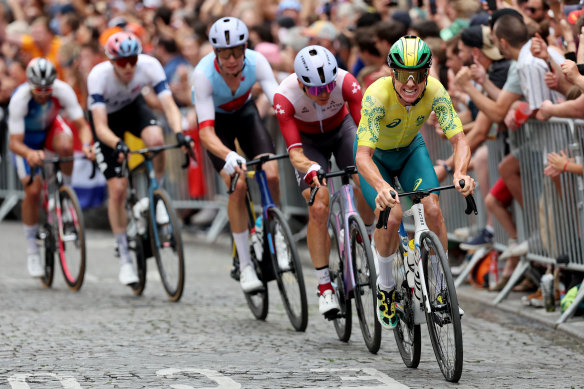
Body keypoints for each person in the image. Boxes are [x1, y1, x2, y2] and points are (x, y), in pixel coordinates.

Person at [354, 36, 475, 329]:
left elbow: (459, 140)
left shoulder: (435, 90)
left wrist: (460, 172)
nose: (411, 83)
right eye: (403, 75)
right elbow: (362, 156)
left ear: (428, 73)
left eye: (418, 75)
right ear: (392, 72)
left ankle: (441, 289)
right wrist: (382, 186)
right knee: (393, 216)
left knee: (432, 210)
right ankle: (385, 287)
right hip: (377, 158)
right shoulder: (376, 95)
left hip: (411, 151)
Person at [273, 45, 375, 318]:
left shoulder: (346, 83)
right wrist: (310, 168)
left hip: (342, 130)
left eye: (328, 86)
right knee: (319, 205)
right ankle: (324, 286)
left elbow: (366, 132)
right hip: (308, 144)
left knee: (364, 177)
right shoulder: (285, 96)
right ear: (301, 84)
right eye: (316, 90)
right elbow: (294, 153)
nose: (325, 93)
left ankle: (366, 235)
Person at [88, 31, 192, 286]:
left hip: (133, 109)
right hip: (107, 123)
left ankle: (155, 196)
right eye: (122, 62)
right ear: (111, 61)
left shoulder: (149, 66)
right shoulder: (98, 77)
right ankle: (124, 256)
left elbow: (169, 106)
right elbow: (100, 127)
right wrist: (117, 144)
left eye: (132, 60)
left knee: (157, 141)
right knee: (118, 189)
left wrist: (179, 133)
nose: (128, 67)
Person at [191, 17, 280, 293]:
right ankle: (244, 266)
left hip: (245, 114)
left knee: (273, 173)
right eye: (224, 53)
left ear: (245, 48)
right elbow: (205, 134)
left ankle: (271, 229)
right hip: (217, 126)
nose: (231, 59)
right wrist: (228, 155)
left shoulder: (257, 62)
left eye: (237, 52)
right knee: (237, 185)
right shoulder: (203, 74)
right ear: (215, 53)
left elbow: (278, 101)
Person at [8, 57, 94, 277]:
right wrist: (29, 153)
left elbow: (82, 126)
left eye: (47, 89)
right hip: (25, 142)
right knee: (33, 191)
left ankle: (65, 194)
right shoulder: (19, 99)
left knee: (66, 145)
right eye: (38, 89)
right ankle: (32, 250)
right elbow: (14, 142)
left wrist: (86, 145)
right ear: (30, 85)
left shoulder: (62, 91)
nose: (43, 94)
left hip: (49, 132)